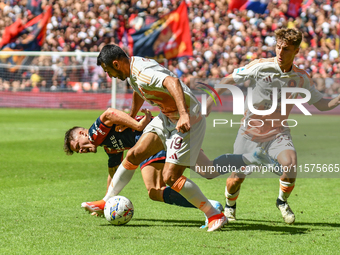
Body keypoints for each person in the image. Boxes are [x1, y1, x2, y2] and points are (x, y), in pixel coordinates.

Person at [207, 28, 340, 224]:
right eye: (278, 47)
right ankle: (230, 206)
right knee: (236, 178)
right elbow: (228, 79)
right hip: (250, 132)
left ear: (296, 51)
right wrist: (208, 104)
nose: (280, 52)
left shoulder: (301, 78)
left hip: (278, 132)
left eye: (286, 49)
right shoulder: (260, 66)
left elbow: (321, 103)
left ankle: (281, 201)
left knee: (291, 163)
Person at [63, 107, 224, 229]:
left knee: (159, 186)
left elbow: (109, 113)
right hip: (163, 139)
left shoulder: (94, 133)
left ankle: (210, 207)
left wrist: (138, 125)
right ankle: (239, 163)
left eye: (79, 146)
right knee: (208, 171)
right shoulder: (108, 147)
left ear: (83, 133)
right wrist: (106, 202)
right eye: (79, 151)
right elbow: (113, 173)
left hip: (153, 138)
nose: (82, 150)